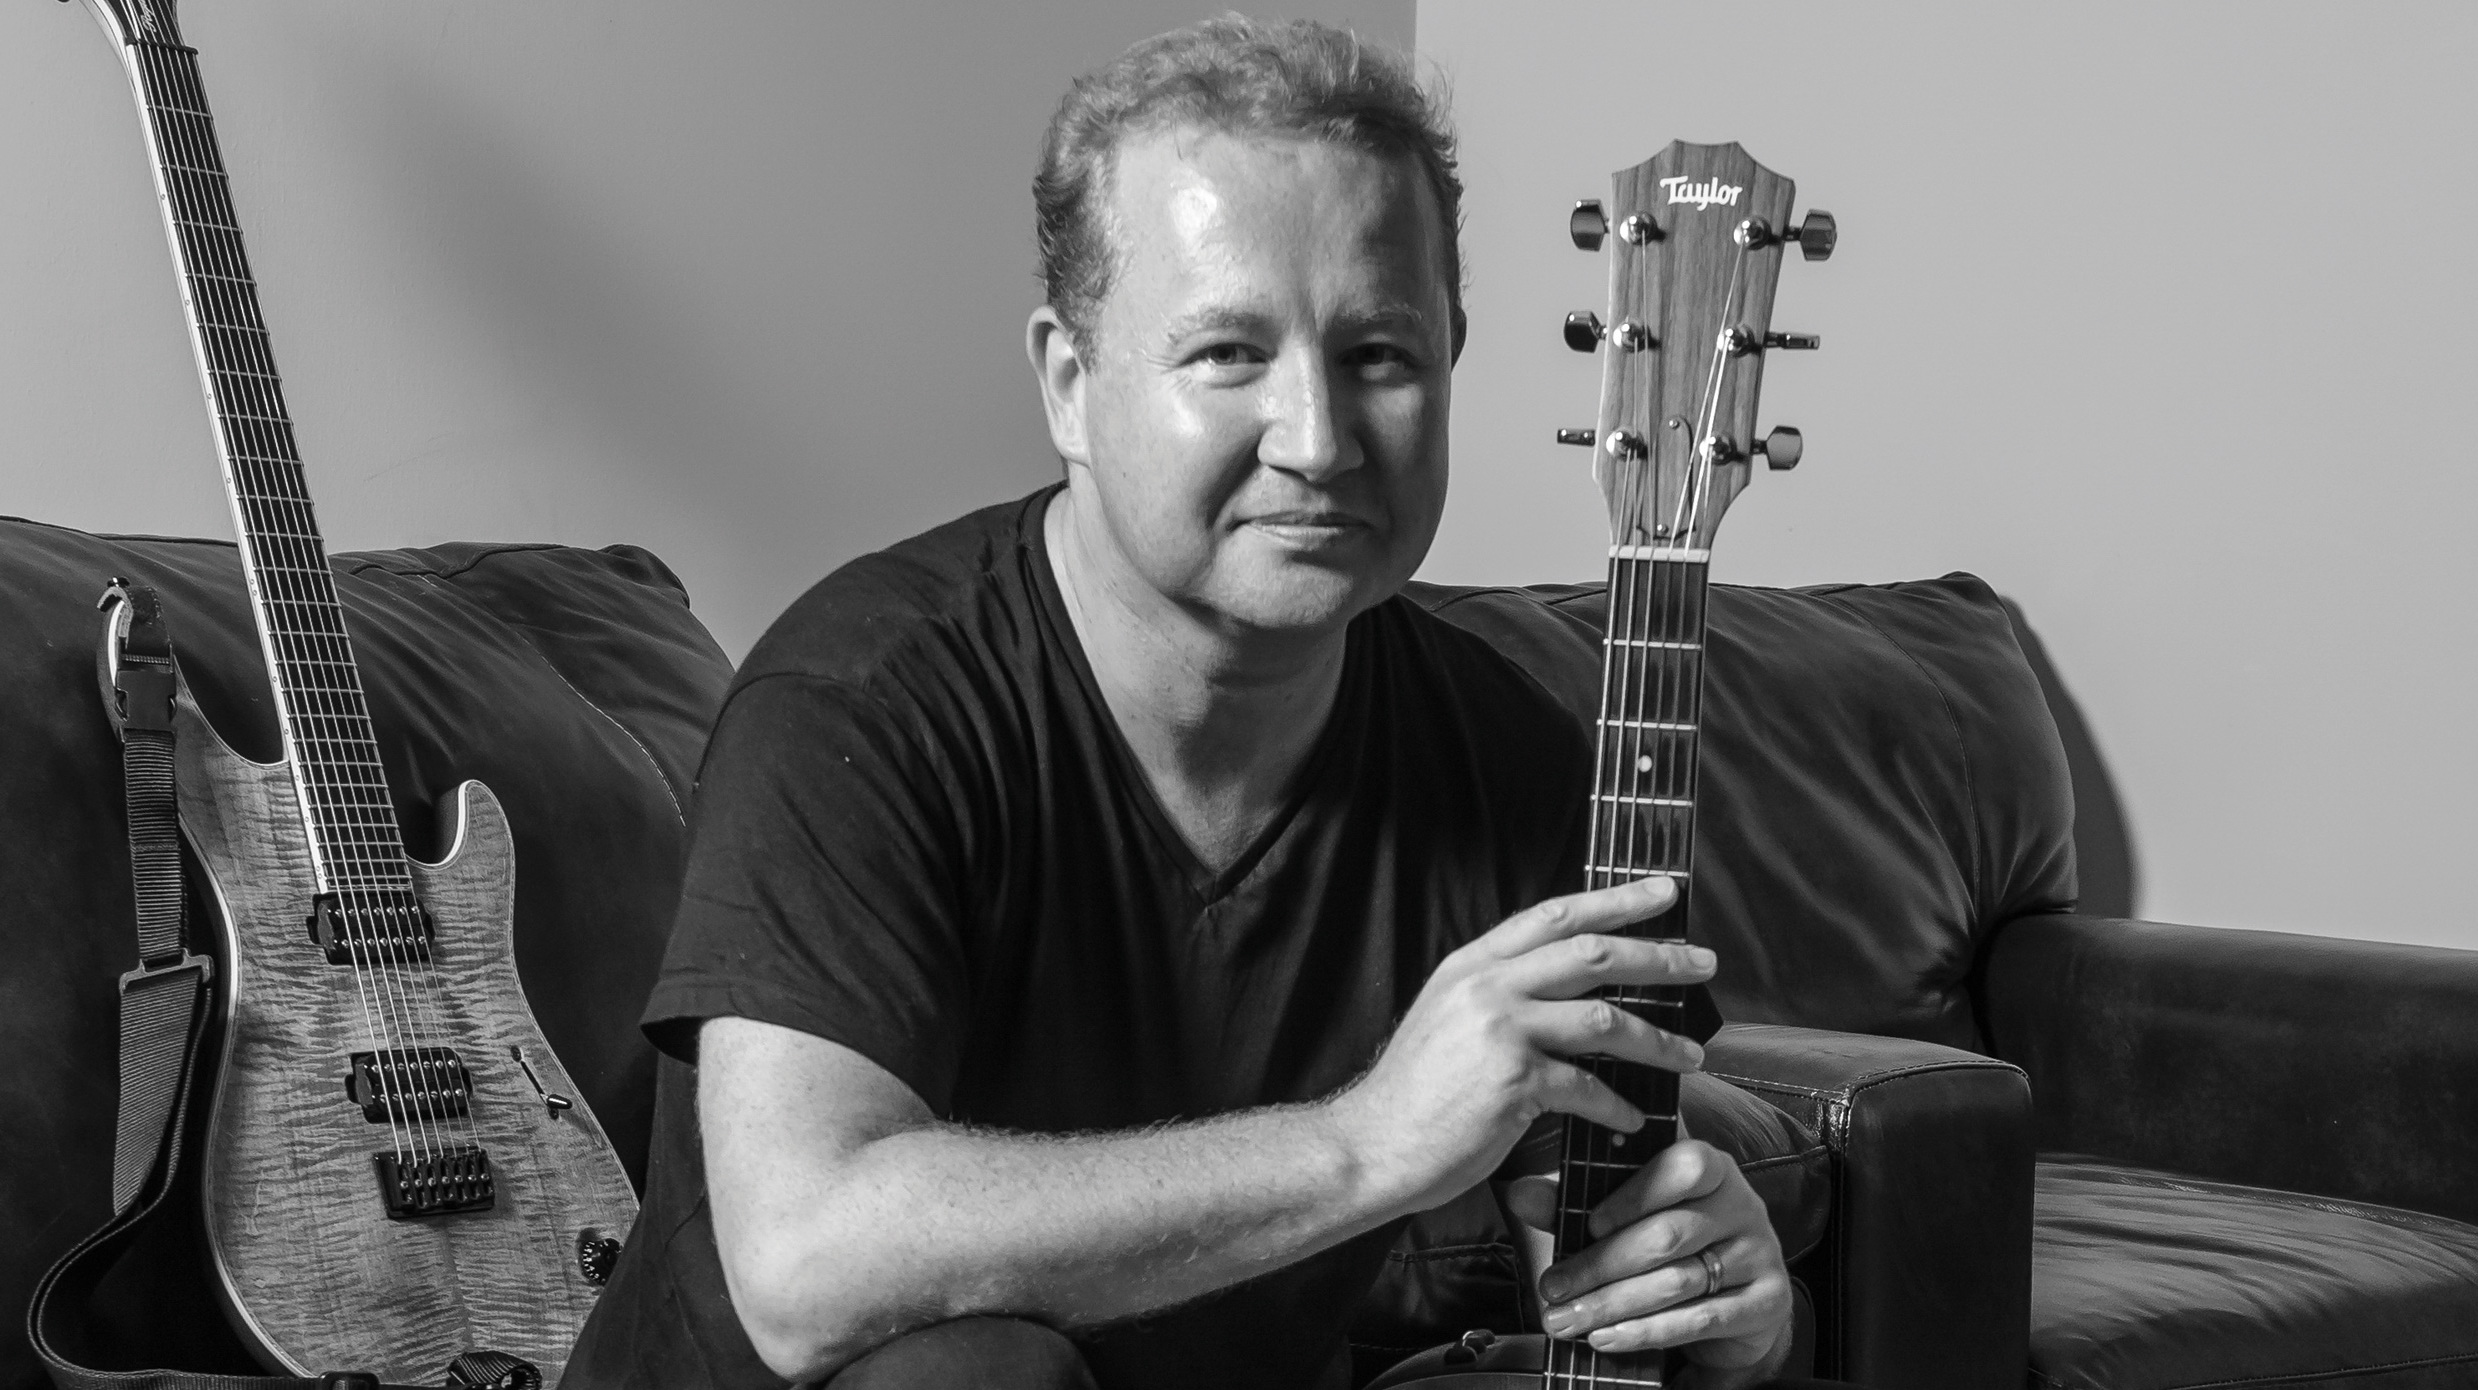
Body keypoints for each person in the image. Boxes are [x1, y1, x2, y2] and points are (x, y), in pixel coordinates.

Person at [565, 17, 1801, 1390]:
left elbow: (1585, 1237)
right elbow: (807, 1265)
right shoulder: (859, 705)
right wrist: (1366, 1139)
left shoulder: (1514, 759)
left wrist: (1705, 1297)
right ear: (1069, 383)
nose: (1317, 439)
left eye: (1379, 354)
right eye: (1225, 352)